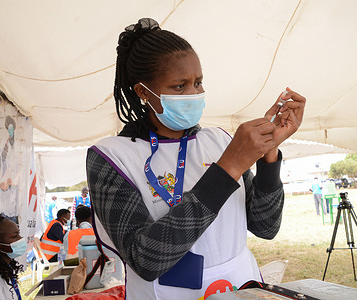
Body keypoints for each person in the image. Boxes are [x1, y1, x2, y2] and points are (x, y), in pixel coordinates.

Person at [86, 18, 305, 300]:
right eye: (180, 86)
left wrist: (269, 154)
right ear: (143, 91)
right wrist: (229, 167)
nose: (194, 94)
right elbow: (145, 258)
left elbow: (266, 226)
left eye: (198, 82)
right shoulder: (111, 156)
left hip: (241, 289)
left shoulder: (220, 141)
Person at [0, 115, 18, 224]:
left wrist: (13, 180)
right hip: (4, 188)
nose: (10, 131)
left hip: (13, 189)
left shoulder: (17, 146)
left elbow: (18, 167)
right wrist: (3, 180)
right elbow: (2, 164)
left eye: (12, 129)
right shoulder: (4, 146)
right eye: (8, 129)